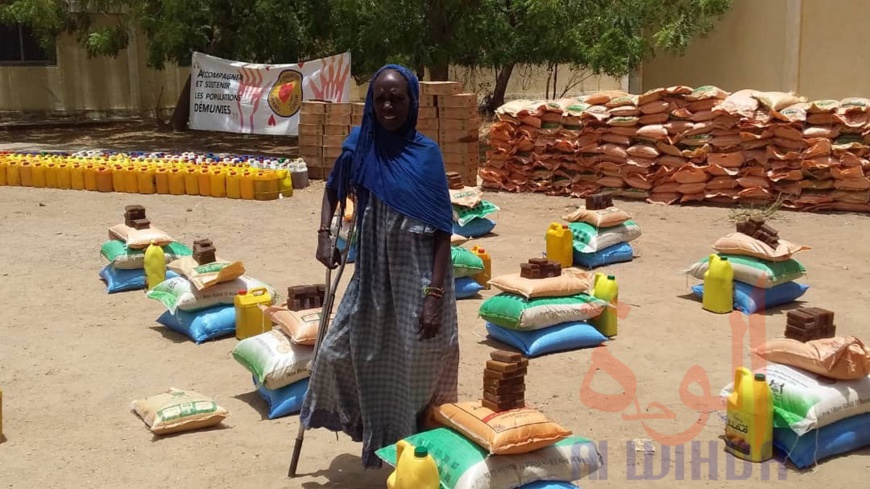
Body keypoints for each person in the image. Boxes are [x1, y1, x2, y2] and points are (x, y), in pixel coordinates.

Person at [299, 64, 460, 469]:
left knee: (414, 368)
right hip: (371, 273)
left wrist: (434, 295)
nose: (388, 105)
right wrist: (324, 235)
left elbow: (443, 229)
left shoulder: (426, 154)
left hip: (418, 274)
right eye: (381, 98)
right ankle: (372, 433)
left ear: (412, 102)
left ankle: (413, 458)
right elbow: (333, 190)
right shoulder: (360, 145)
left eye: (397, 98)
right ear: (371, 101)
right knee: (336, 353)